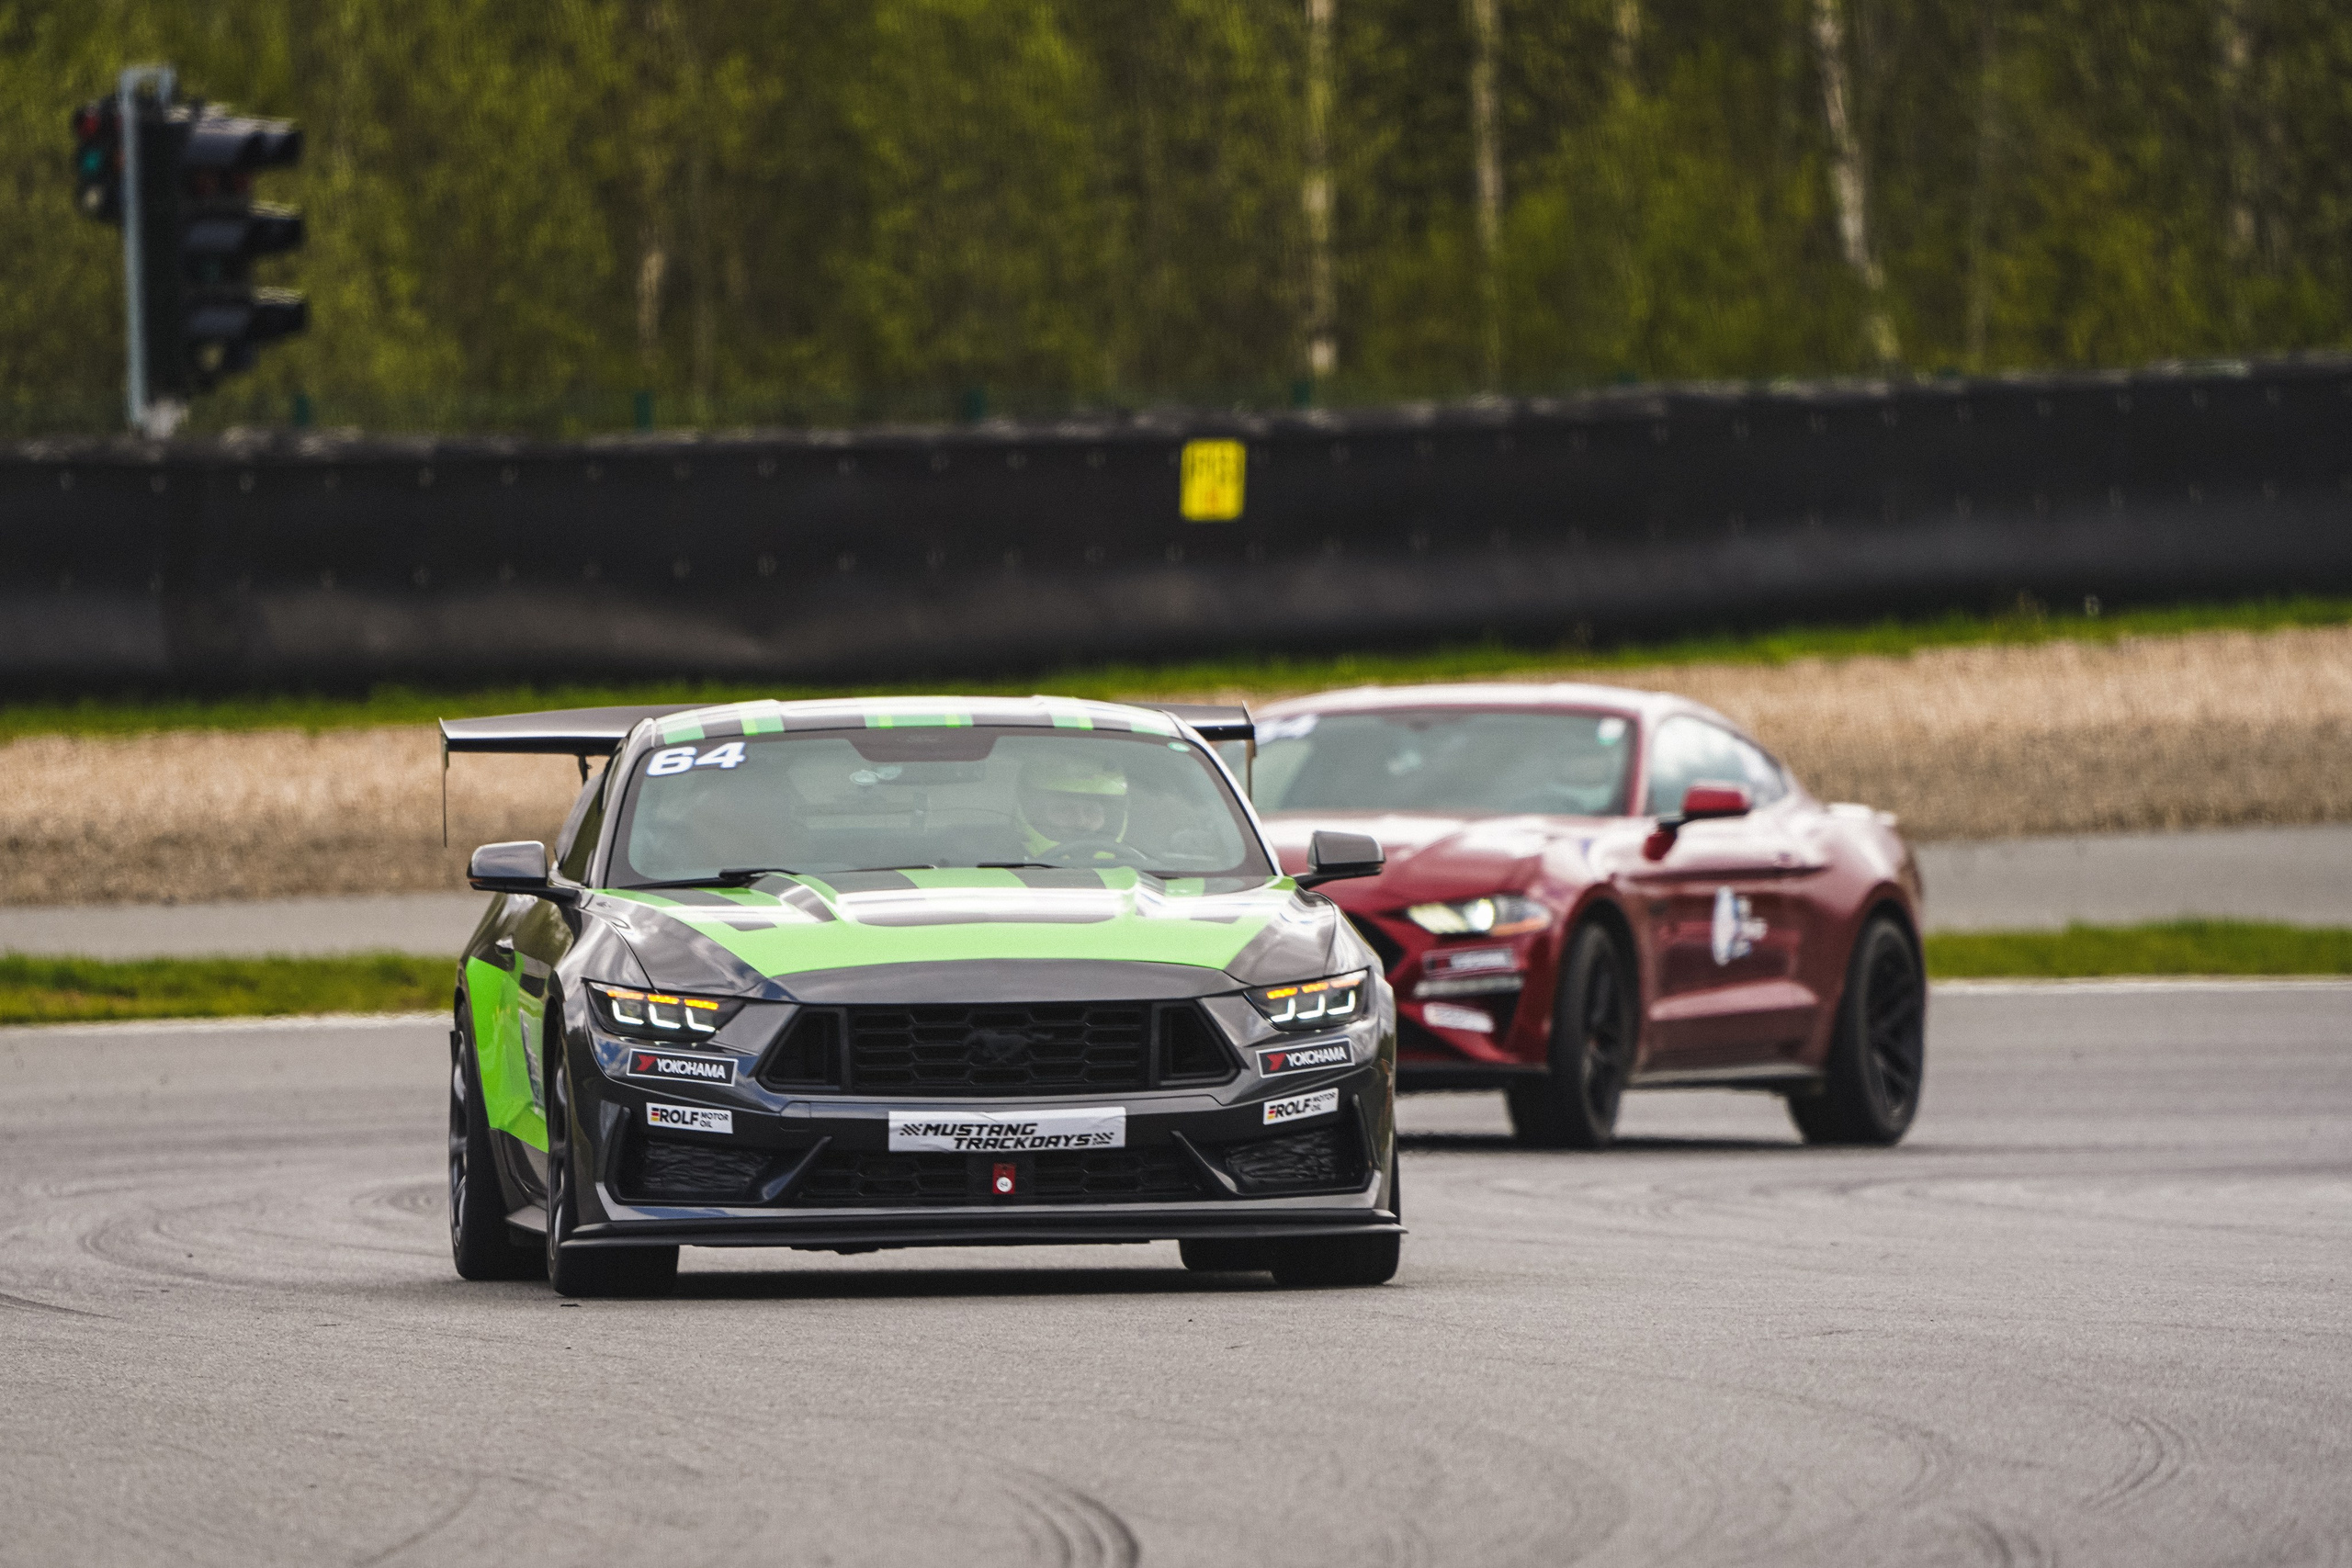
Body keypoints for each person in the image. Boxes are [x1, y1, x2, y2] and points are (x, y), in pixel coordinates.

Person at [1016, 754, 1130, 862]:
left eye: (1091, 810)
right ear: (1036, 813)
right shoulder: (1002, 860)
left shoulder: (1138, 870)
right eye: (1064, 809)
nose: (1080, 820)